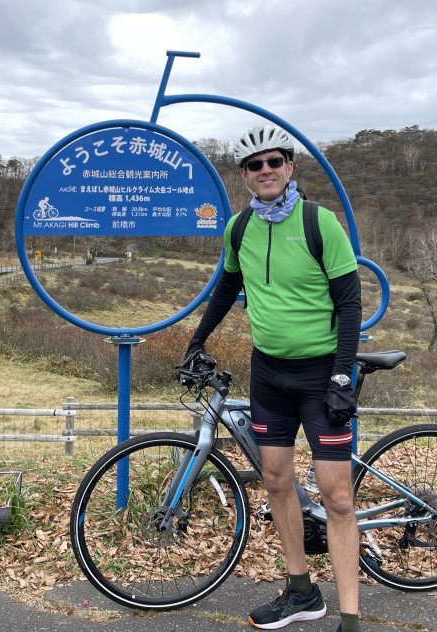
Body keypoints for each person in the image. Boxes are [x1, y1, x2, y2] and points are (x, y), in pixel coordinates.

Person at [183, 124, 362, 632]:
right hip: (269, 375)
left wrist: (343, 376)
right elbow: (225, 290)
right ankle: (302, 591)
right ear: (244, 176)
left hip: (321, 374)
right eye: (255, 165)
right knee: (277, 481)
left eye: (274, 162)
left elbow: (349, 303)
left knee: (338, 496)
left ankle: (350, 620)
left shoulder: (318, 222)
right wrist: (197, 340)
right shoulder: (239, 228)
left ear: (289, 167)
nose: (266, 171)